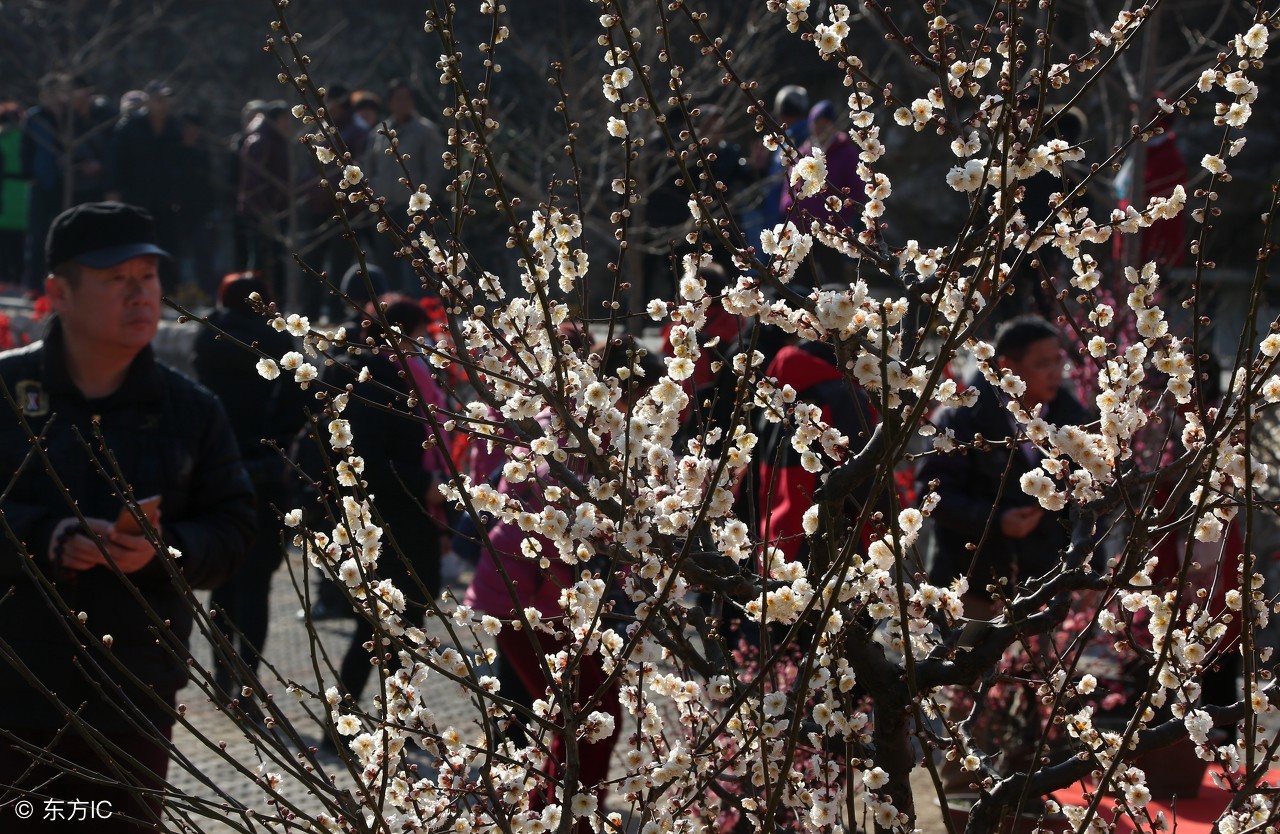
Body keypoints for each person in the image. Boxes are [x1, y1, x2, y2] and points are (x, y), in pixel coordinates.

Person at [0, 201, 255, 830]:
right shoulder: (6, 393)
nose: (140, 294)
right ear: (59, 291)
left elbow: (236, 528)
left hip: (133, 694)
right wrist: (47, 536)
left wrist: (166, 549)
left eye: (149, 276)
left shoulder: (192, 409)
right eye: (117, 278)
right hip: (13, 690)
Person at [918, 315, 1089, 614]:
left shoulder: (1072, 420)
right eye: (1042, 363)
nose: (1055, 373)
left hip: (1045, 584)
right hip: (971, 583)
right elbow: (932, 495)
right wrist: (996, 520)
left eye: (1057, 361)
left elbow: (1089, 501)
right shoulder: (962, 418)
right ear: (1008, 366)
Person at [193, 273, 307, 703]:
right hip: (263, 472)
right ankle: (246, 679)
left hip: (215, 469)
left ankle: (222, 671)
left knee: (224, 576)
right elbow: (296, 406)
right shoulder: (277, 343)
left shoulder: (207, 338)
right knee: (256, 581)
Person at [363, 79, 444, 294]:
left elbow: (435, 169)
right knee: (387, 261)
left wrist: (423, 198)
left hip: (414, 209)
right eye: (398, 98)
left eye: (407, 98)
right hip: (384, 207)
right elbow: (368, 167)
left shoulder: (425, 131)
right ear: (389, 102)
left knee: (417, 262)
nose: (403, 103)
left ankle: (420, 305)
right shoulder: (380, 132)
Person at [106, 81, 185, 289]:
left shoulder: (174, 128)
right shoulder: (130, 126)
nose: (163, 105)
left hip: (165, 197)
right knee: (135, 240)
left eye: (166, 101)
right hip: (136, 194)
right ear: (148, 101)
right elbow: (116, 160)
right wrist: (113, 190)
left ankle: (167, 288)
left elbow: (179, 162)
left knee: (167, 243)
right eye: (159, 100)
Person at [780, 100, 864, 286]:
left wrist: (839, 218)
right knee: (801, 282)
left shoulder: (847, 153)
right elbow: (790, 185)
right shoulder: (803, 152)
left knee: (834, 280)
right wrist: (788, 209)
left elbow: (857, 192)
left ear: (833, 124)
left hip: (832, 230)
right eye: (817, 122)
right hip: (802, 229)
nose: (821, 127)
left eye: (825, 122)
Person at [0, 102, 27, 288]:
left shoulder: (3, 138)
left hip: (5, 189)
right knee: (21, 239)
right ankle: (18, 278)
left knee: (5, 238)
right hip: (24, 189)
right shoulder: (26, 137)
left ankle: (4, 277)